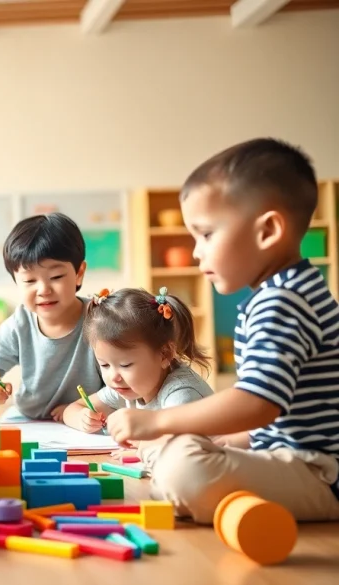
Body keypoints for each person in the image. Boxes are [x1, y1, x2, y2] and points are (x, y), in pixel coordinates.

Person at [107, 138, 339, 522]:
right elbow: (281, 417)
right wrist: (224, 440)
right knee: (185, 449)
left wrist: (156, 421)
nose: (196, 251)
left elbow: (257, 403)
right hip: (300, 461)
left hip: (319, 474)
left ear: (267, 231)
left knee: (183, 465)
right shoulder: (288, 293)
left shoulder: (282, 301)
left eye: (206, 234)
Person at [0, 212, 104, 420]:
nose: (44, 290)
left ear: (79, 273)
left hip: (88, 419)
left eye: (56, 277)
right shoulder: (18, 325)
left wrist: (74, 411)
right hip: (29, 418)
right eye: (29, 281)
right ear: (16, 281)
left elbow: (123, 384)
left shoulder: (102, 319)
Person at [62, 287, 213, 436]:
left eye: (125, 365)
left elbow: (176, 445)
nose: (113, 377)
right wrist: (82, 418)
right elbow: (72, 409)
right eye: (105, 365)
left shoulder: (181, 394)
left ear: (164, 354)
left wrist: (139, 448)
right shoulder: (127, 387)